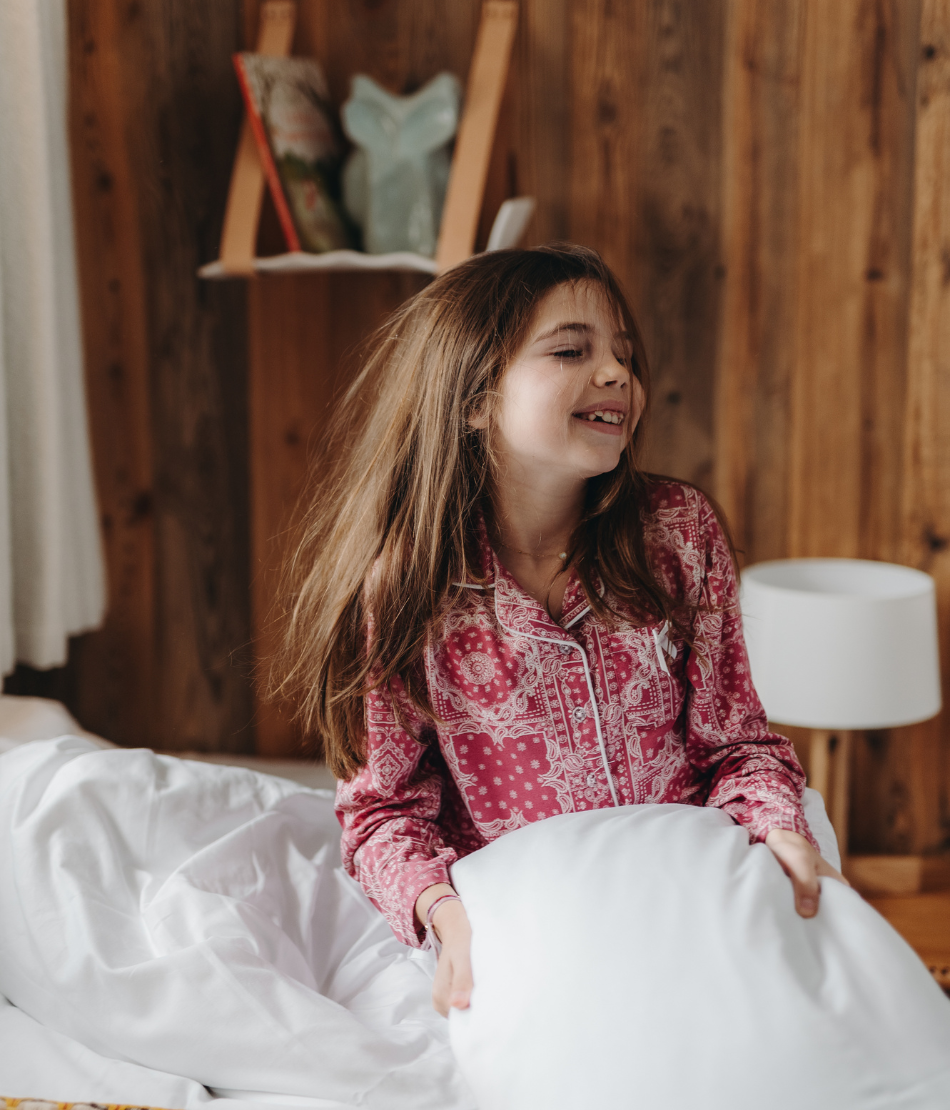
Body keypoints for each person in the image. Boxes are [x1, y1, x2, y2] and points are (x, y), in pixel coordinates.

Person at [274, 243, 845, 1020]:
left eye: (625, 355)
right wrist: (449, 919)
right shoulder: (405, 587)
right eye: (571, 350)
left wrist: (778, 830)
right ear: (474, 397)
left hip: (693, 870)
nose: (617, 373)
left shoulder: (679, 534)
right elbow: (383, 812)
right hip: (525, 905)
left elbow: (736, 745)